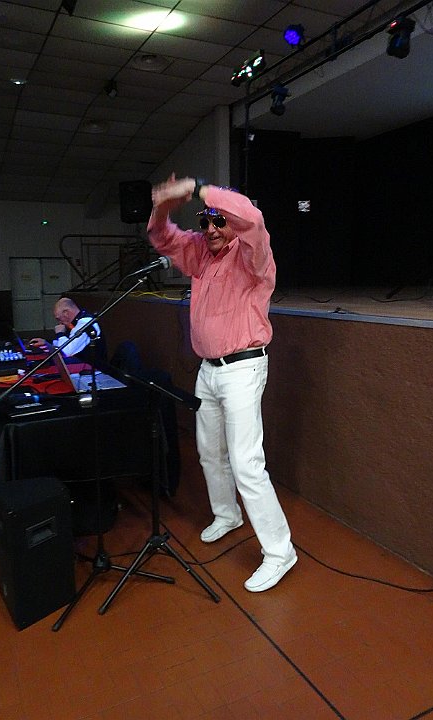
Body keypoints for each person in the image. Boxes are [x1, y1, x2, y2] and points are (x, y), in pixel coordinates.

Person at [147, 173, 296, 592]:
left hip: (243, 369)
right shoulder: (200, 254)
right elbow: (161, 237)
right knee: (210, 452)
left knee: (246, 463)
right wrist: (163, 205)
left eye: (219, 221)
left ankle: (280, 551)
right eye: (205, 221)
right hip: (209, 370)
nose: (211, 228)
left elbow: (253, 219)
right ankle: (227, 514)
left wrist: (198, 189)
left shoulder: (252, 255)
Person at [29, 296, 105, 366]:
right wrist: (47, 343)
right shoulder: (77, 321)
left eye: (59, 319)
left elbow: (66, 351)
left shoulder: (84, 323)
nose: (60, 323)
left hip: (94, 369)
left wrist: (60, 333)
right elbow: (69, 343)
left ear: (66, 313)